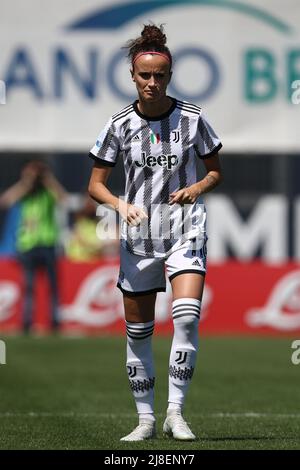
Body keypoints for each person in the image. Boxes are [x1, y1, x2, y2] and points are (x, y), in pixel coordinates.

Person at [88, 24, 222, 441]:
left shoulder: (193, 118)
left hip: (185, 227)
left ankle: (175, 413)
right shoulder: (118, 124)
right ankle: (145, 419)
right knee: (139, 331)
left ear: (170, 75)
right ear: (132, 75)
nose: (152, 82)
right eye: (144, 75)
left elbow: (215, 171)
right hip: (140, 235)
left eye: (159, 75)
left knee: (186, 316)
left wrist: (197, 187)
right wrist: (120, 205)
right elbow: (95, 184)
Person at [0, 159, 67, 333]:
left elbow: (63, 198)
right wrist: (26, 181)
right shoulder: (25, 194)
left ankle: (55, 321)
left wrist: (48, 179)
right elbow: (6, 200)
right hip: (28, 244)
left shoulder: (48, 193)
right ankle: (26, 322)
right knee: (28, 287)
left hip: (48, 243)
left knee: (53, 287)